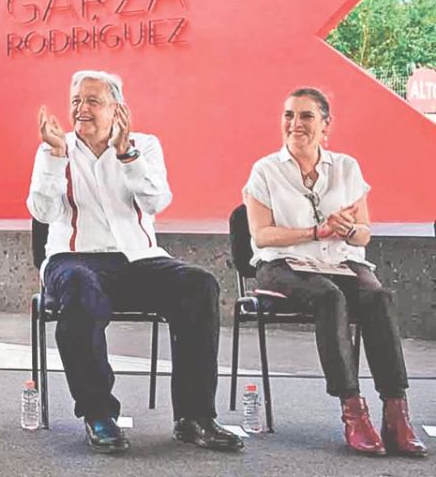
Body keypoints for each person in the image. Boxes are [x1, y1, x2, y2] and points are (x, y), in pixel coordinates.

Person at [26, 70, 242, 453]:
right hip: (72, 259)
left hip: (138, 260)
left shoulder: (144, 146)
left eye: (93, 101)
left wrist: (127, 156)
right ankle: (98, 414)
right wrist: (55, 159)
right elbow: (43, 212)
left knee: (199, 284)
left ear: (117, 109)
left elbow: (156, 203)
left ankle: (195, 417)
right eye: (76, 100)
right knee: (79, 287)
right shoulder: (56, 148)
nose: (81, 108)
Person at [242, 87, 425, 456]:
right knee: (329, 296)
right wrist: (315, 231)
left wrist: (346, 229)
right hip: (282, 264)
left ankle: (396, 411)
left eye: (306, 116)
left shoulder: (347, 168)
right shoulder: (265, 170)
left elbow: (364, 233)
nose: (295, 123)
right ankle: (353, 410)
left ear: (326, 125)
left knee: (377, 297)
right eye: (289, 115)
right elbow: (262, 235)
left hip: (340, 260)